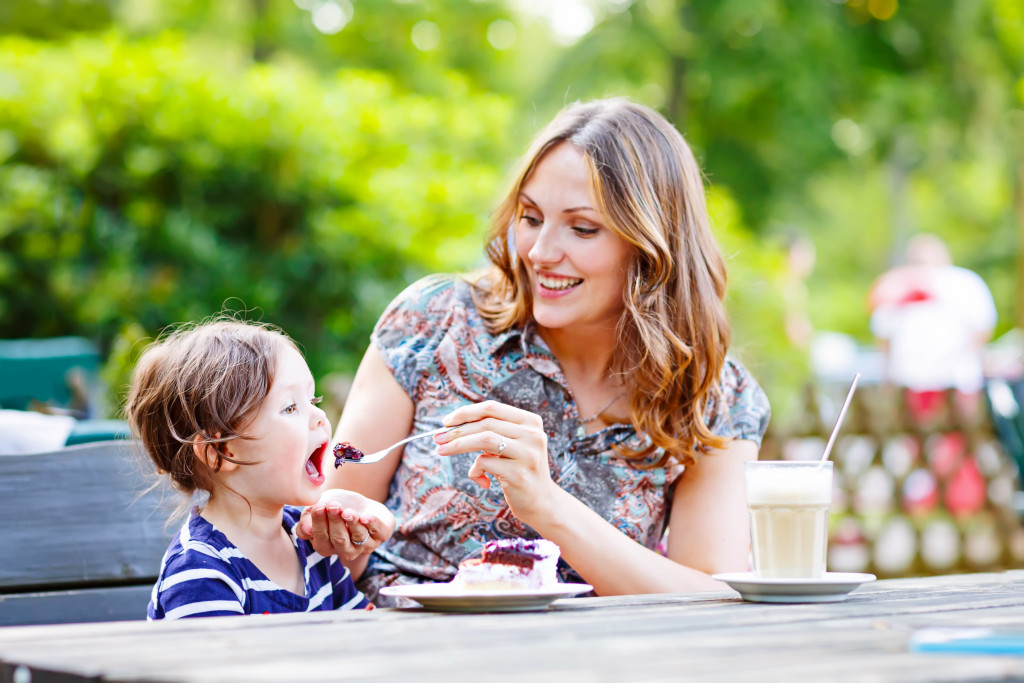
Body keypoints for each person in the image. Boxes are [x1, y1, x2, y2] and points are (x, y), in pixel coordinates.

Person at [299, 98, 771, 604]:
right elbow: (323, 541)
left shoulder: (714, 394)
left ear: (654, 245)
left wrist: (547, 506)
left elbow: (712, 597)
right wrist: (339, 534)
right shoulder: (434, 321)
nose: (541, 252)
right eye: (530, 217)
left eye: (582, 228)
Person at [124, 319, 395, 619]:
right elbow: (216, 666)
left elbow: (367, 634)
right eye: (290, 407)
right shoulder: (201, 573)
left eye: (313, 399)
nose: (319, 416)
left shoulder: (312, 543)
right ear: (220, 452)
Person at [868, 233, 997, 419]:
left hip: (937, 379)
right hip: (939, 379)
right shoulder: (965, 282)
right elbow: (983, 329)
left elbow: (882, 338)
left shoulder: (893, 284)